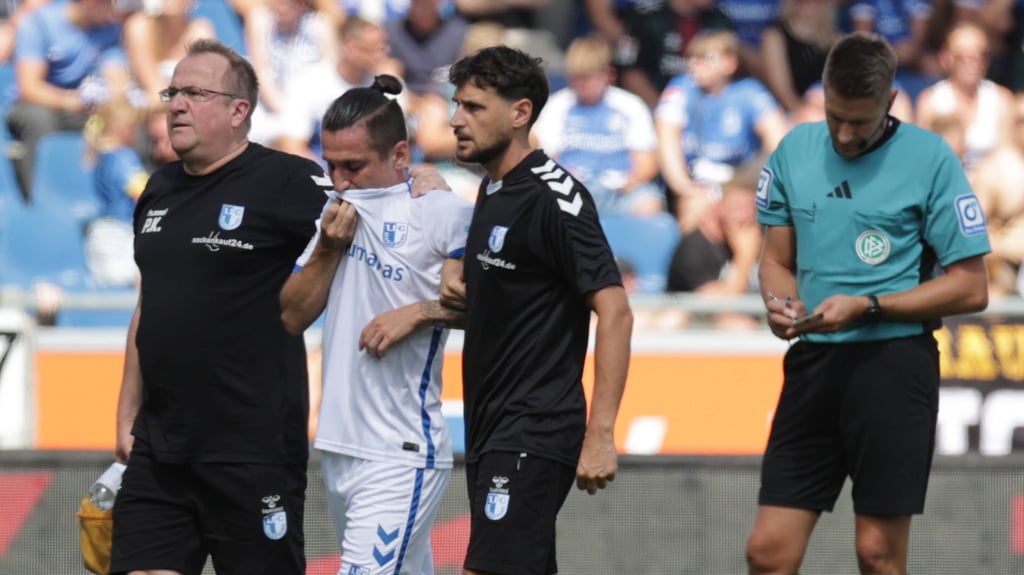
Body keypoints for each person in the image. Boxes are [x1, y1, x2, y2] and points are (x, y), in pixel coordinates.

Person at [746, 32, 991, 575]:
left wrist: (870, 305)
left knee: (878, 555)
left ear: (892, 102)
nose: (845, 133)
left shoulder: (931, 159)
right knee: (766, 553)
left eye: (860, 120)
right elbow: (776, 260)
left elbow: (973, 287)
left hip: (894, 367)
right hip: (812, 366)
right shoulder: (794, 149)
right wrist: (780, 302)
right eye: (835, 116)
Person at [109, 38, 335, 575]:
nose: (175, 104)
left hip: (252, 448)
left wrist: (419, 180)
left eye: (193, 92)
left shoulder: (289, 179)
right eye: (171, 92)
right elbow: (151, 302)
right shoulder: (159, 188)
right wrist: (126, 412)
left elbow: (373, 213)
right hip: (161, 448)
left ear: (240, 111)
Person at [445, 46, 633, 575]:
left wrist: (600, 435)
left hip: (534, 428)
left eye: (474, 107)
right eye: (457, 104)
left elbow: (616, 311)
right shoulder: (492, 188)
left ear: (520, 112)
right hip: (491, 425)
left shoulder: (557, 198)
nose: (456, 120)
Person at [278, 75, 473, 575]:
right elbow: (292, 315)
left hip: (400, 449)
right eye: (331, 165)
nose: (340, 179)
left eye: (354, 166)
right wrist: (327, 247)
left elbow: (502, 305)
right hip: (340, 445)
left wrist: (420, 311)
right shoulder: (335, 212)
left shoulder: (441, 209)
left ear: (400, 154)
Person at [7, 0, 129, 197]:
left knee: (125, 122)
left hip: (84, 109)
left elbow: (116, 78)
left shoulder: (110, 29)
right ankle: (38, 200)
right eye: (110, 3)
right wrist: (69, 100)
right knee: (38, 121)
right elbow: (28, 87)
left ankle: (118, 202)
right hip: (35, 105)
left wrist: (116, 107)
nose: (114, 9)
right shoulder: (39, 23)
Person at [532, 34, 664, 217]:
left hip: (620, 191)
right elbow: (546, 159)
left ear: (608, 74)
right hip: (570, 190)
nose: (580, 84)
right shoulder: (557, 105)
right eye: (576, 78)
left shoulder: (630, 106)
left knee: (649, 204)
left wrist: (627, 183)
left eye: (587, 78)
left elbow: (647, 162)